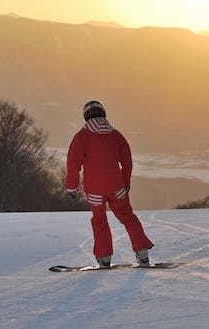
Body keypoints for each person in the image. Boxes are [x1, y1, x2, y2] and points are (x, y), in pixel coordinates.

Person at [65, 100, 153, 266]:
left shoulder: (81, 137)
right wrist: (126, 182)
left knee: (99, 221)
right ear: (103, 113)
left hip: (95, 189)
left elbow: (73, 164)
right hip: (117, 187)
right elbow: (127, 162)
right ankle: (142, 253)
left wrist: (72, 187)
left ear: (86, 116)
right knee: (127, 216)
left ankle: (104, 259)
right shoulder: (116, 135)